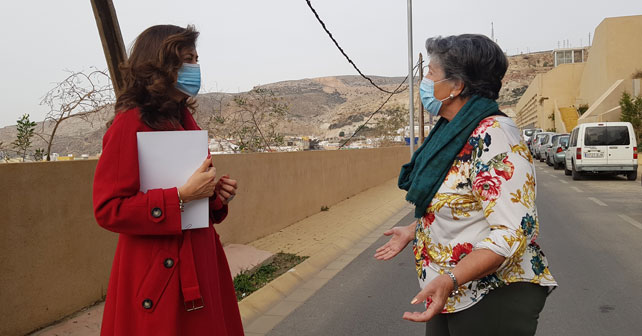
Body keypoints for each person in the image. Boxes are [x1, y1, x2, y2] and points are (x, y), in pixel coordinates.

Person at [375, 34, 556, 336]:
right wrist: (414, 229)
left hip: (492, 294)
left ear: (457, 86)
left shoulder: (493, 135)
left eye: (431, 73)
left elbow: (513, 230)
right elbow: (459, 200)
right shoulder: (454, 133)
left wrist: (451, 279)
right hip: (451, 290)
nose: (424, 82)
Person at [93, 25, 244, 335]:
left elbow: (190, 192)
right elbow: (108, 208)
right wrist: (180, 197)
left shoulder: (183, 120)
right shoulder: (129, 123)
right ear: (161, 64)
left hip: (200, 264)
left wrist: (214, 195)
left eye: (196, 59)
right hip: (159, 274)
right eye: (188, 59)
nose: (196, 68)